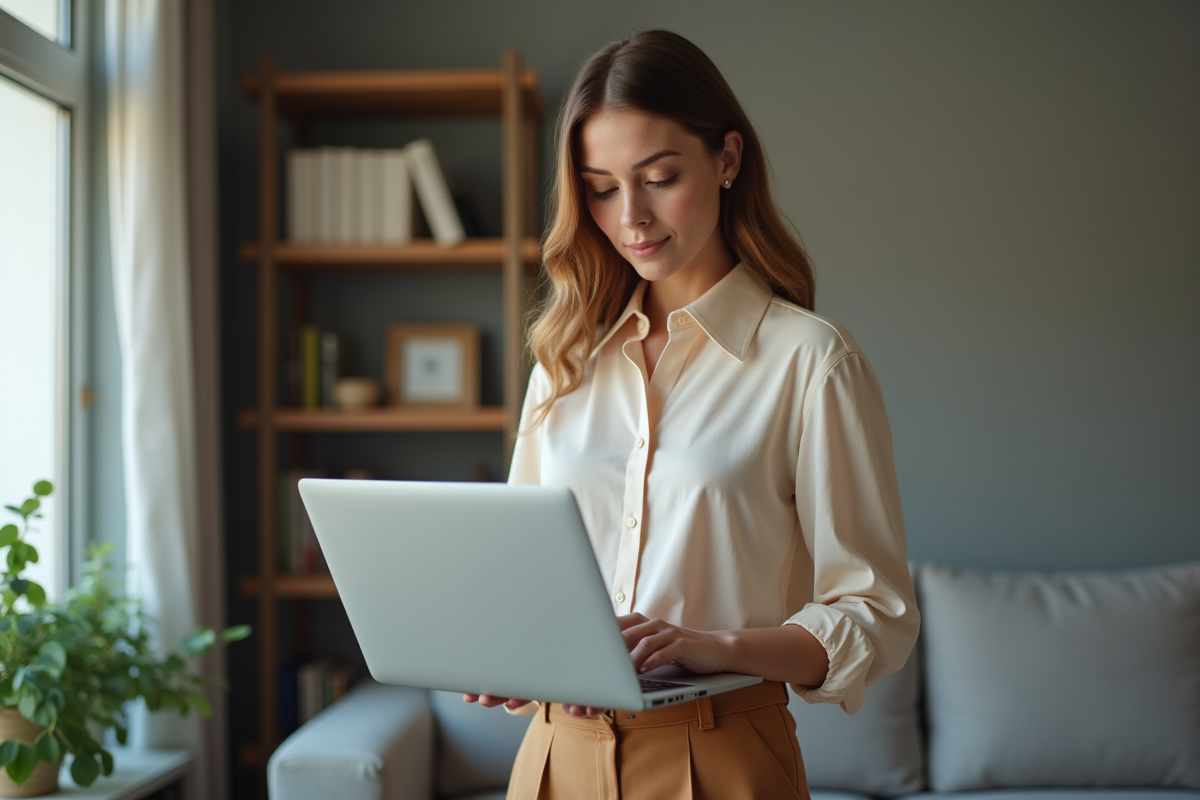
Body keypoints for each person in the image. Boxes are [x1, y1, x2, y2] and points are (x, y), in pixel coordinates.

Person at [464, 29, 920, 800]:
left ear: (728, 160)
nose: (631, 215)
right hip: (553, 760)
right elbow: (525, 572)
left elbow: (876, 615)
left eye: (660, 177)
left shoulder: (812, 363)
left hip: (722, 758)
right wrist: (509, 650)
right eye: (602, 187)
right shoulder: (565, 359)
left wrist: (716, 646)